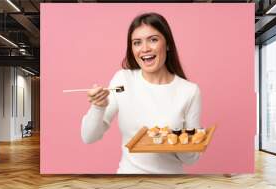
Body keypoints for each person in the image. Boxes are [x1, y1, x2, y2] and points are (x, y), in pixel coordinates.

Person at [81, 12, 202, 174]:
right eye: (137, 43)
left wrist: (174, 139)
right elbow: (89, 137)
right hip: (128, 184)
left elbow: (191, 159)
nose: (145, 49)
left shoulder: (190, 91)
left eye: (153, 40)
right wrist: (98, 107)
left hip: (172, 186)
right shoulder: (123, 79)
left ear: (167, 44)